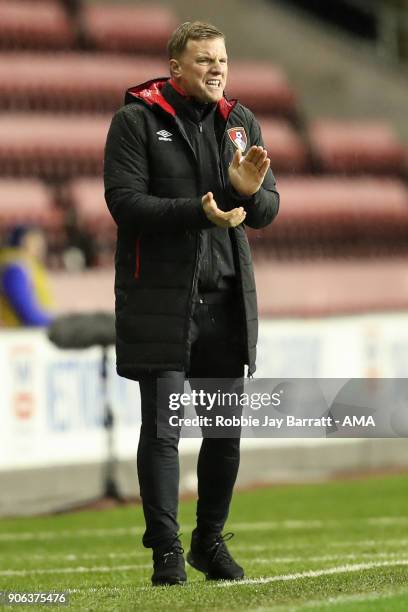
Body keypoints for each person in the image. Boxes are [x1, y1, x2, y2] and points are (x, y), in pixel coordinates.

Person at [104, 21, 279, 586]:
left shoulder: (240, 122)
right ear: (175, 67)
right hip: (161, 299)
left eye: (222, 60)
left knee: (224, 433)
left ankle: (208, 542)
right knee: (163, 432)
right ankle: (166, 552)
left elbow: (269, 207)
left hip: (227, 299)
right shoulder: (136, 120)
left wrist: (249, 196)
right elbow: (125, 203)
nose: (216, 69)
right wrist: (199, 211)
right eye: (204, 60)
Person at [0, 225, 54, 327]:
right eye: (35, 241)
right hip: (19, 335)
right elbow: (27, 313)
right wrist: (56, 323)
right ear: (22, 242)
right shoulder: (15, 268)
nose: (41, 246)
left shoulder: (28, 265)